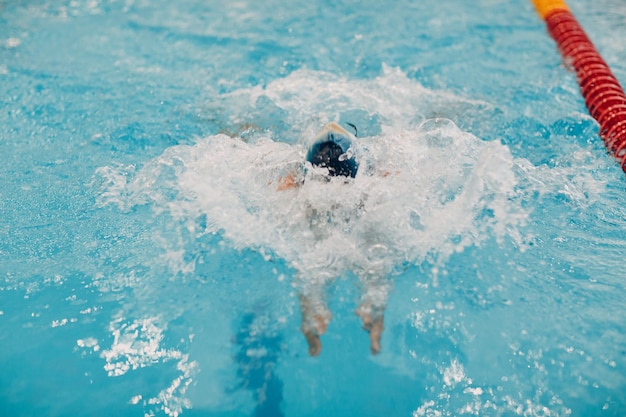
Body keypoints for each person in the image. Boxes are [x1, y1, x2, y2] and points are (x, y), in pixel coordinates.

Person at [278, 122, 386, 356]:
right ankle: (373, 316)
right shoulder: (371, 173)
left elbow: (280, 189)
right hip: (361, 203)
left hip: (312, 207)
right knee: (373, 255)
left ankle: (313, 319)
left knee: (309, 258)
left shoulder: (300, 178)